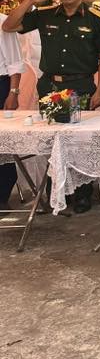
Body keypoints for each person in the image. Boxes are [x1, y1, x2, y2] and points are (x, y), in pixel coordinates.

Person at [3, 0, 100, 214]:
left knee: (80, 143)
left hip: (81, 86)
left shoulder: (97, 18)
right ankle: (56, 191)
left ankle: (82, 193)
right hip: (50, 86)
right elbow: (9, 26)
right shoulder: (44, 14)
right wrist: (32, 0)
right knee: (51, 141)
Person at [0, 12, 24, 211]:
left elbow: (14, 61)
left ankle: (2, 195)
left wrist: (13, 92)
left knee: (2, 143)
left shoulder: (3, 21)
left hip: (1, 83)